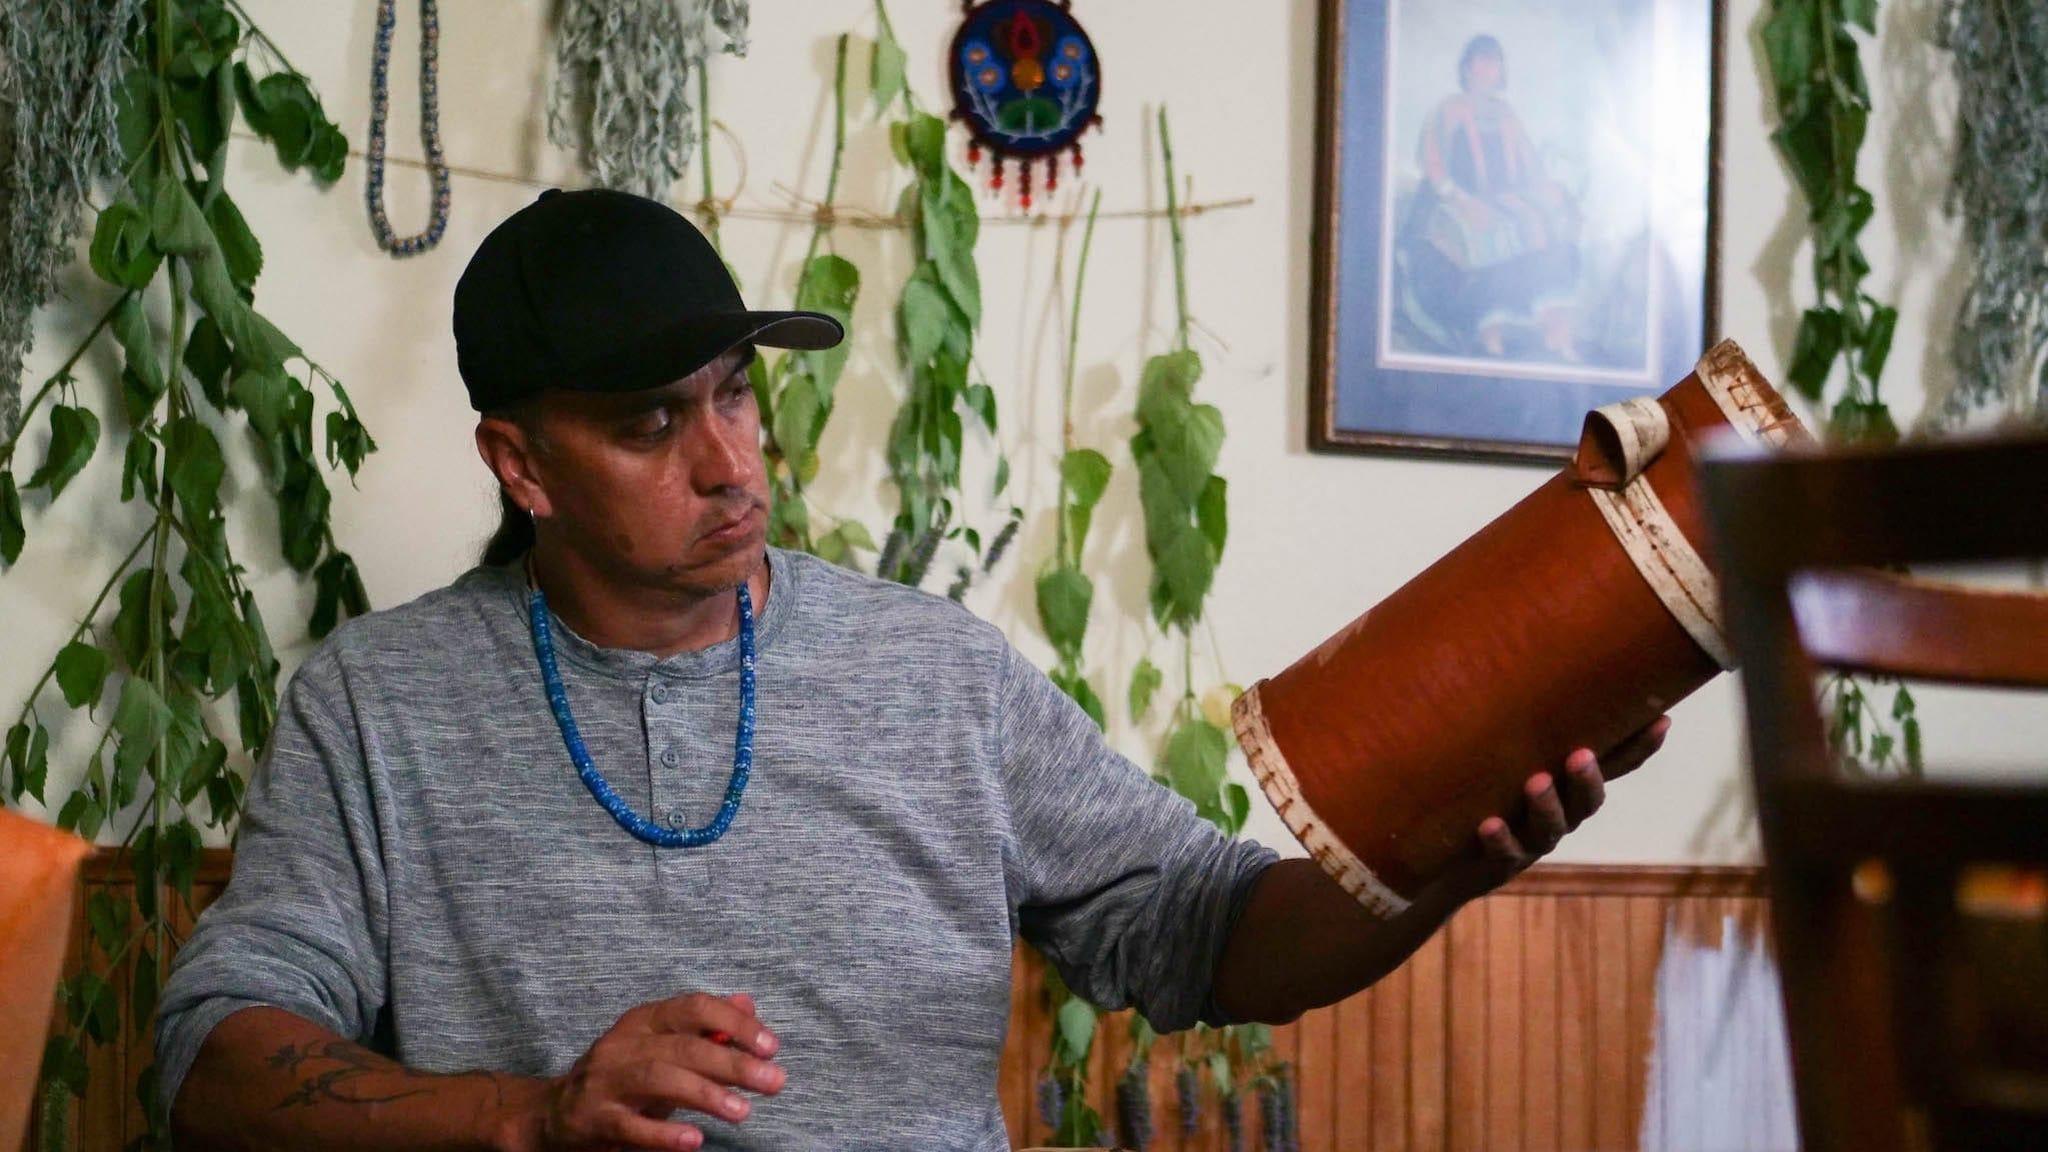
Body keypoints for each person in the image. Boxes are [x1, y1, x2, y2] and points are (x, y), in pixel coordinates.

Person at [155, 189, 1668, 1151]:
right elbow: (217, 1058)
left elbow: (1205, 938)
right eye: (648, 425)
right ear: (519, 462)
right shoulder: (377, 707)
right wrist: (531, 1115)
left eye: (738, 393)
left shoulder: (936, 675)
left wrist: (1435, 866)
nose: (732, 460)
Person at [1399, 34, 1583, 361]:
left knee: (1542, 228)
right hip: (1450, 203)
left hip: (1500, 204)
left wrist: (1547, 188)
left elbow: (1530, 167)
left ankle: (1553, 333)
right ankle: (1489, 337)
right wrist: (1463, 201)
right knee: (1487, 240)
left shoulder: (1506, 114)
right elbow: (1433, 165)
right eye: (1481, 61)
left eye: (1494, 62)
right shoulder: (1450, 109)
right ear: (1468, 68)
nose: (1488, 69)